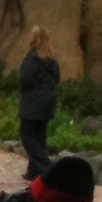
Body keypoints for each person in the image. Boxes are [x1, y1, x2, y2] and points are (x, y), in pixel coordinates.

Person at [19, 25, 60, 180]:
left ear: (33, 39)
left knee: (27, 135)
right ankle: (34, 171)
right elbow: (56, 80)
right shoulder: (52, 61)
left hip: (32, 102)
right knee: (39, 136)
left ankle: (47, 168)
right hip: (48, 103)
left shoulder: (32, 59)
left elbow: (24, 81)